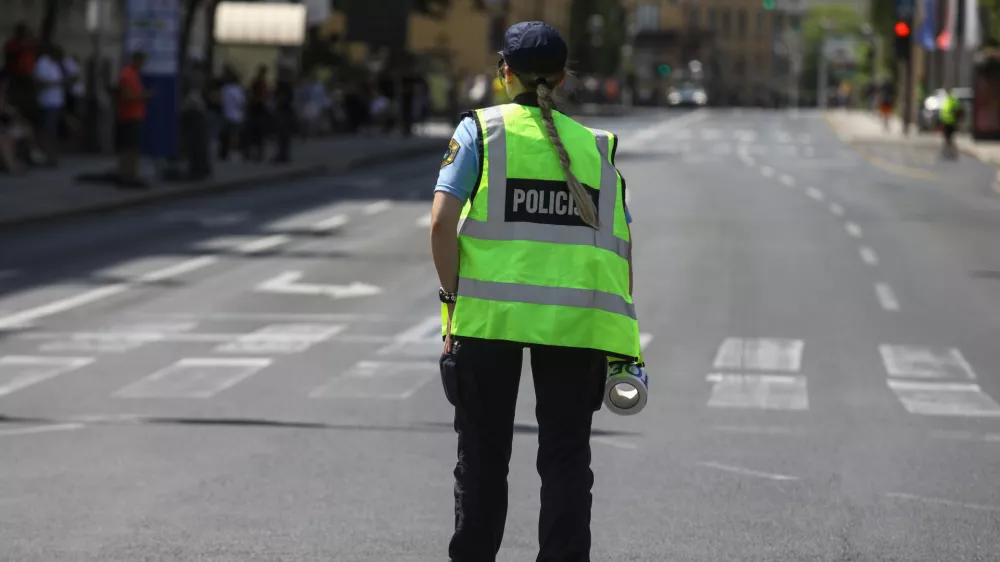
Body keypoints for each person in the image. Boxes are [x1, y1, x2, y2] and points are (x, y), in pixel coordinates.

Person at [429, 21, 640, 562]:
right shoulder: (597, 147)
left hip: (488, 324)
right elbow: (621, 250)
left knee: (482, 457)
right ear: (564, 78)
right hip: (574, 326)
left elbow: (440, 224)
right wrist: (620, 347)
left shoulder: (481, 132)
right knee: (566, 459)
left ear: (505, 73)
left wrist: (454, 301)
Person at [116, 50, 152, 187]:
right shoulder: (127, 74)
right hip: (129, 116)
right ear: (137, 60)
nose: (144, 64)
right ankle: (126, 174)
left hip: (136, 115)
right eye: (143, 61)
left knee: (133, 147)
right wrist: (144, 96)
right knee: (128, 147)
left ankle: (131, 173)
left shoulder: (135, 75)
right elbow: (126, 96)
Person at [939, 88, 962, 160]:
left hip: (950, 122)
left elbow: (958, 110)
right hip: (948, 122)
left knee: (949, 138)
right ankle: (950, 150)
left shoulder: (949, 100)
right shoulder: (949, 100)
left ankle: (952, 150)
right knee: (948, 138)